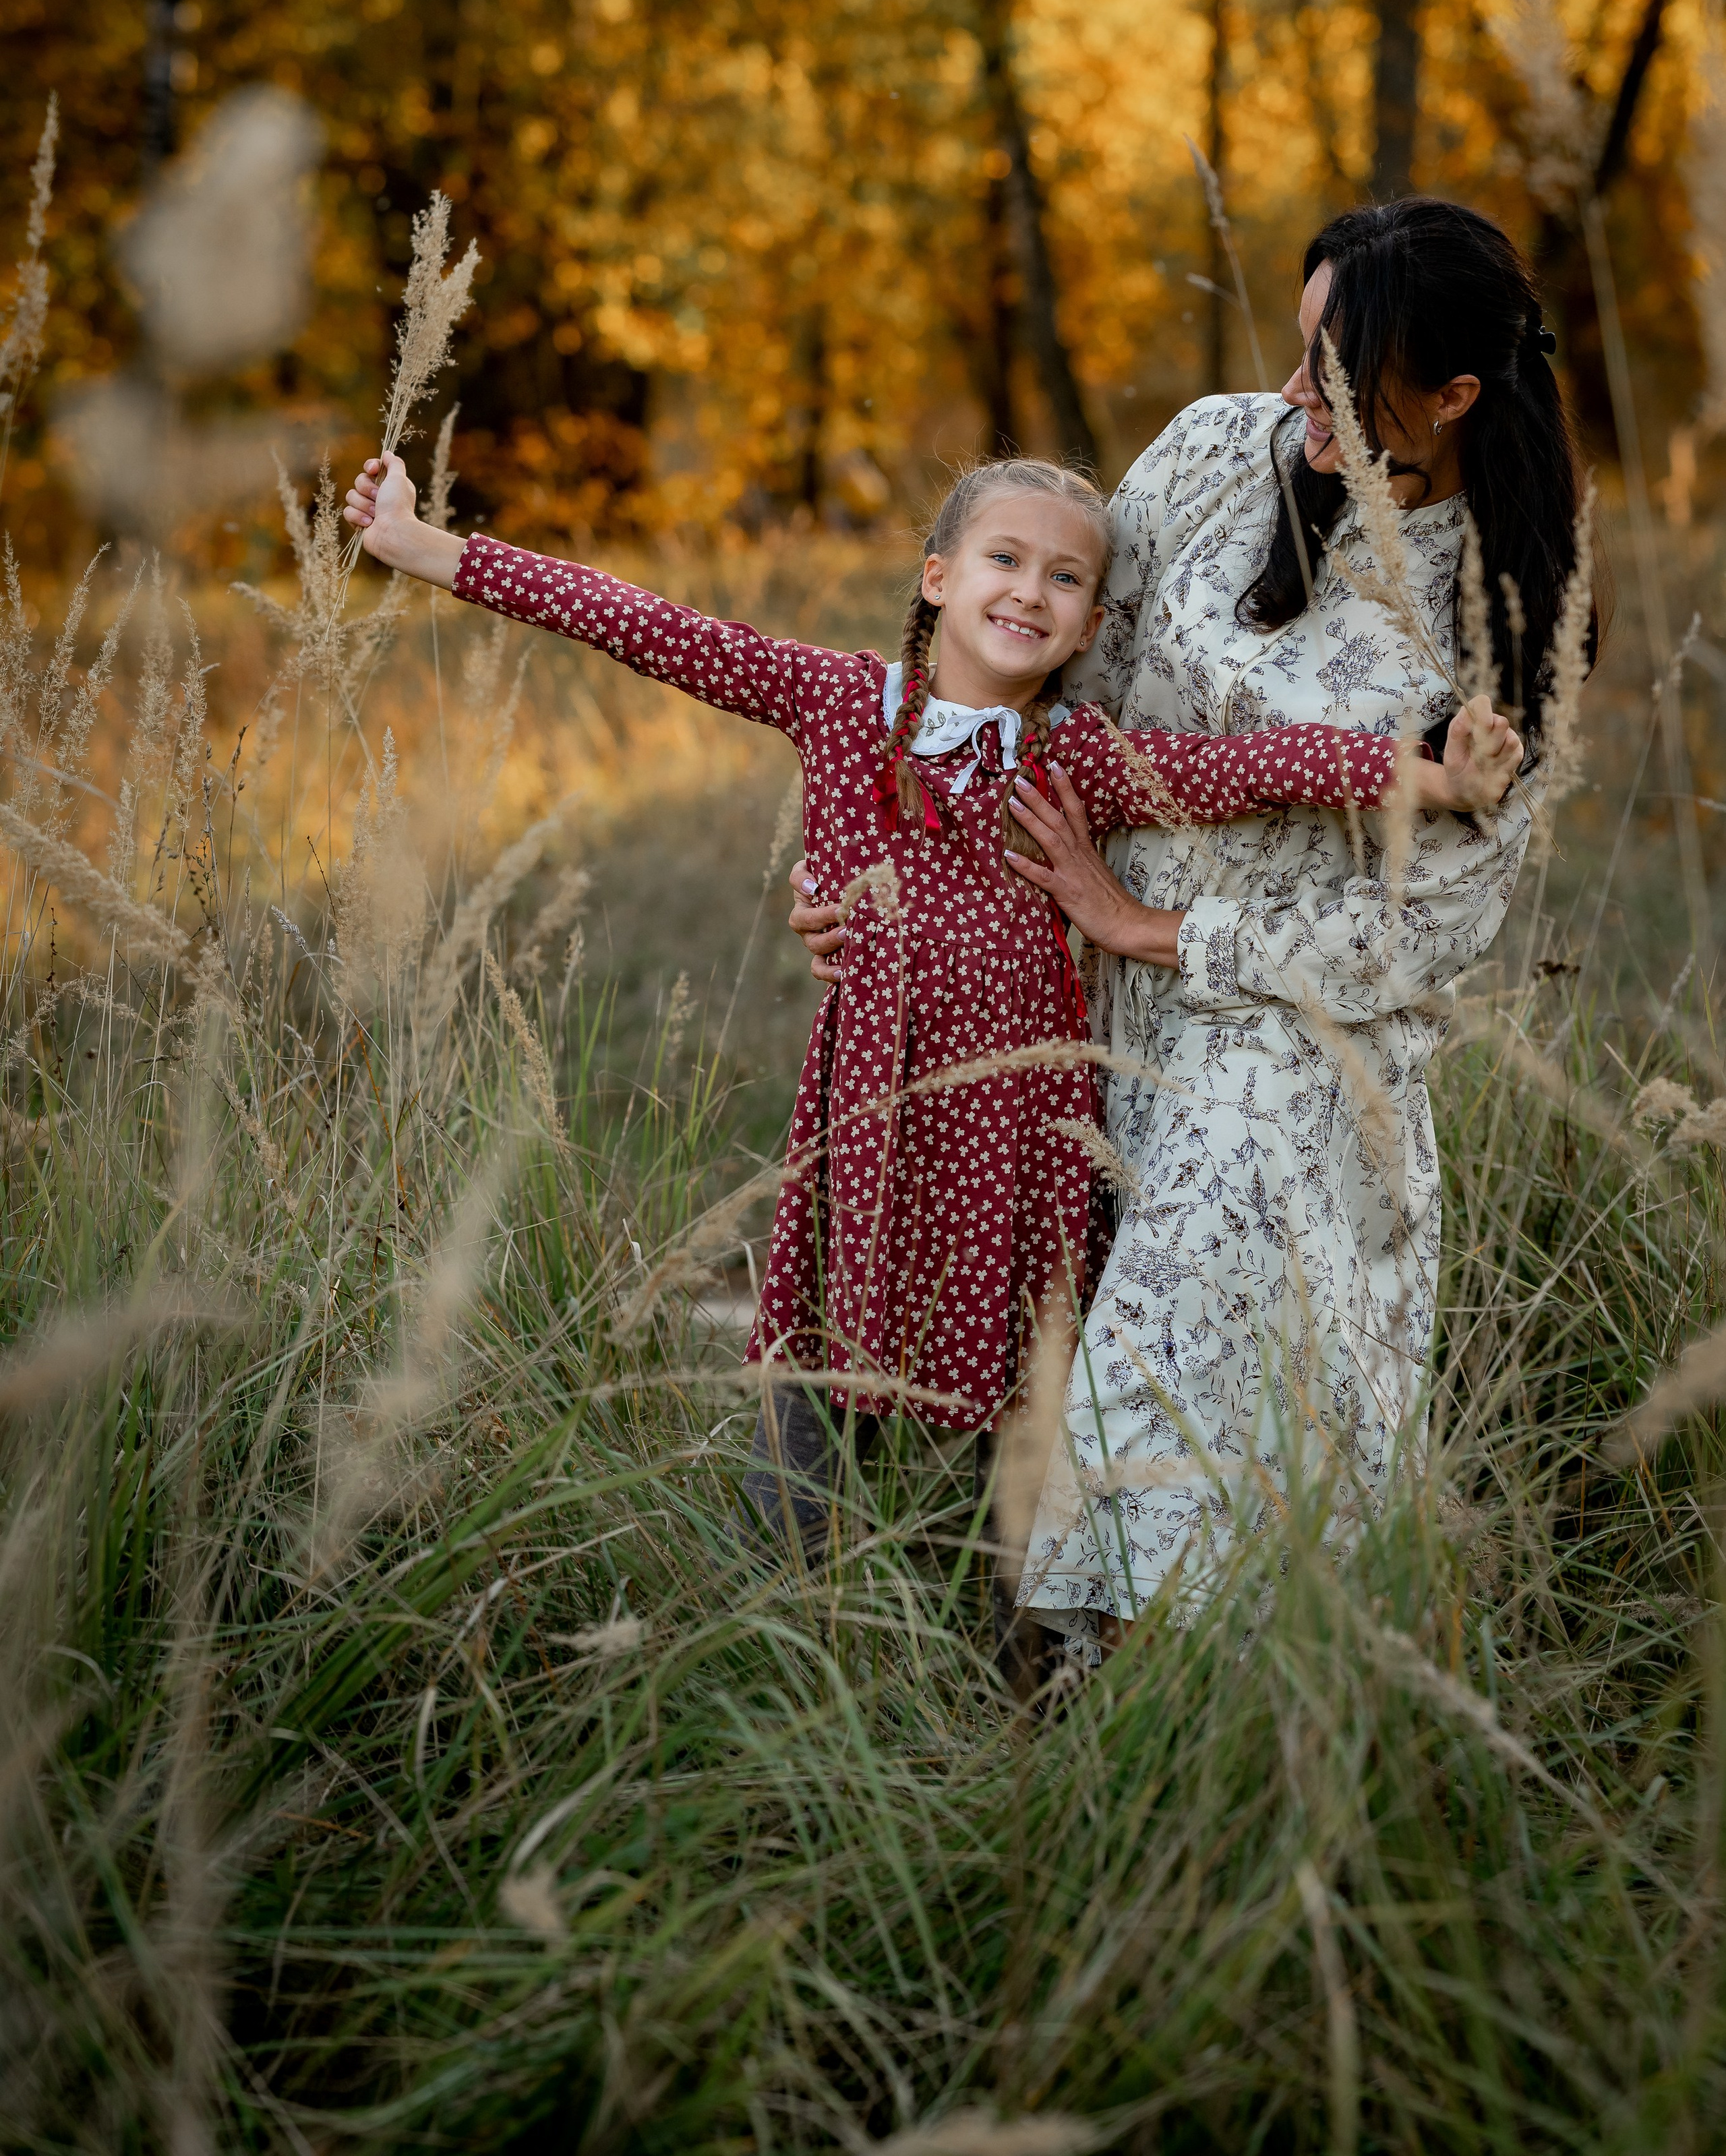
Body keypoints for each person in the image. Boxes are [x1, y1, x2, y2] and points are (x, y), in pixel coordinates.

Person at [342, 442, 1520, 1629]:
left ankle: (1006, 1635)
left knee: (1022, 1385)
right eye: (1004, 559)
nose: (1030, 592)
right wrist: (427, 549)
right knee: (821, 1356)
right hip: (876, 1113)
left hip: (1025, 1136)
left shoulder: (1078, 759)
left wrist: (1429, 773)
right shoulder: (846, 706)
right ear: (937, 577)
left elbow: (1246, 768)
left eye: (1066, 581)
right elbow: (653, 627)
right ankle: (778, 1614)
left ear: (1087, 627)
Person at [790, 198, 1590, 1664]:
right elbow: (1046, 673)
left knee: (1177, 1315)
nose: (1293, 397)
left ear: (1451, 395)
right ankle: (915, 1624)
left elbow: (1432, 928)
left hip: (1280, 1033)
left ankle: (1153, 1699)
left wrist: (1153, 925)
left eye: (1333, 372)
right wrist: (893, 848)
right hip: (1073, 967)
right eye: (1296, 351)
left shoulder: (1506, 609)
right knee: (984, 1283)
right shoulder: (1225, 450)